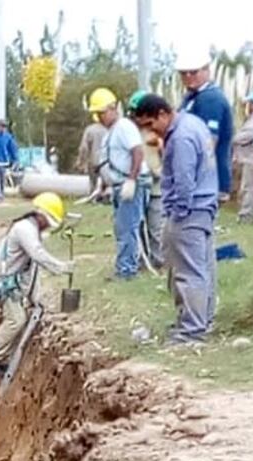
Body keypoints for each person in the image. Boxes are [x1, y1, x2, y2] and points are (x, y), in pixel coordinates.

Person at [132, 94, 219, 345]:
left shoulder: (180, 139)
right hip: (204, 207)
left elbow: (183, 181)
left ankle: (191, 331)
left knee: (187, 273)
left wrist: (178, 214)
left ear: (163, 114)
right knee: (203, 270)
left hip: (188, 211)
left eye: (150, 124)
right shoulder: (194, 124)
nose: (150, 132)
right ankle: (203, 320)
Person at [0, 192, 73, 376]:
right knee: (16, 320)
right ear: (41, 216)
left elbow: (32, 268)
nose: (47, 227)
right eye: (48, 222)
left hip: (8, 281)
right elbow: (37, 255)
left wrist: (34, 297)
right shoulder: (24, 230)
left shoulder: (31, 229)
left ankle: (1, 357)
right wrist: (60, 267)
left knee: (18, 318)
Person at [89, 87, 149, 280]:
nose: (100, 118)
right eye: (97, 114)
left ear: (113, 108)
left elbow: (137, 152)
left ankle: (127, 271)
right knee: (122, 228)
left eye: (102, 113)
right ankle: (125, 266)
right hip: (118, 184)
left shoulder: (124, 127)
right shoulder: (111, 132)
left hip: (130, 184)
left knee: (127, 228)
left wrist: (131, 179)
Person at [176, 46, 234, 202]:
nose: (188, 76)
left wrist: (193, 176)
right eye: (183, 73)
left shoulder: (210, 99)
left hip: (206, 180)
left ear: (207, 70)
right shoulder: (191, 97)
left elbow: (208, 141)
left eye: (193, 72)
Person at [129, 89, 165, 269]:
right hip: (140, 186)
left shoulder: (157, 132)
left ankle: (159, 260)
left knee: (156, 227)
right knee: (139, 225)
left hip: (157, 188)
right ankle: (142, 260)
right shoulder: (132, 133)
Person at [232, 90, 253, 223]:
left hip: (251, 156)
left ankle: (247, 214)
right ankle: (251, 213)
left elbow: (248, 135)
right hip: (251, 156)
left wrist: (234, 138)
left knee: (249, 186)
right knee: (250, 186)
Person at [76, 119, 108, 202]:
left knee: (94, 183)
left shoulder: (90, 130)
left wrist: (81, 162)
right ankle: (105, 197)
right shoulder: (110, 129)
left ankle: (95, 198)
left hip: (94, 161)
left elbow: (84, 148)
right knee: (106, 182)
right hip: (107, 161)